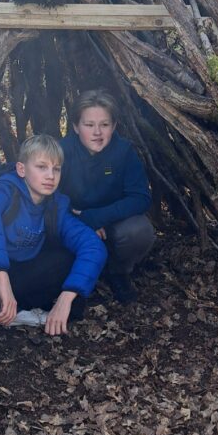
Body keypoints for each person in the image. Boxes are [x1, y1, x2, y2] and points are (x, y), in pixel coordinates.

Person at [0, 134, 107, 373]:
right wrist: (2, 278)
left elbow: (93, 246)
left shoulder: (55, 206)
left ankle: (16, 311)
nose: (50, 176)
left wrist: (67, 297)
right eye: (41, 167)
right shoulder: (6, 191)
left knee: (67, 257)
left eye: (56, 169)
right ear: (22, 169)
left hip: (13, 281)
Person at [59, 90, 155, 304]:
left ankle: (118, 271)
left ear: (113, 126)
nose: (97, 132)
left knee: (139, 231)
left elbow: (140, 197)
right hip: (73, 221)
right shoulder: (62, 152)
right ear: (76, 127)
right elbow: (48, 196)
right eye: (89, 125)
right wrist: (81, 222)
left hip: (112, 222)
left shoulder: (124, 152)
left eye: (104, 124)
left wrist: (97, 217)